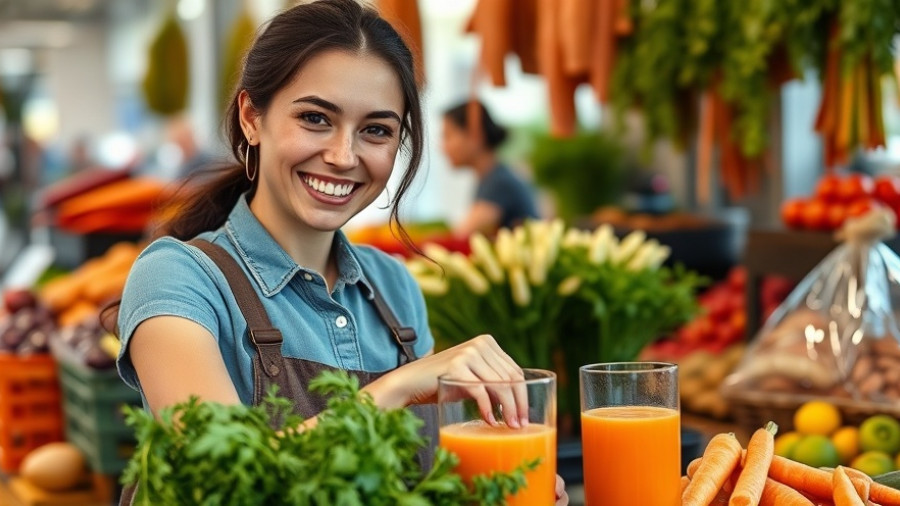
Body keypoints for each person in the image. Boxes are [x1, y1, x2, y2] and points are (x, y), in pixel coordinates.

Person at [114, 0, 567, 503]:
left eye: (376, 130)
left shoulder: (395, 289)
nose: (343, 156)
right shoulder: (179, 278)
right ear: (250, 118)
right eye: (315, 118)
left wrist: (497, 484)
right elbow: (215, 479)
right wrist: (397, 388)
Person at [441, 100, 539, 237]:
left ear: (475, 135)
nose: (442, 147)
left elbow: (461, 235)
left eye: (448, 136)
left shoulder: (499, 183)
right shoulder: (492, 177)